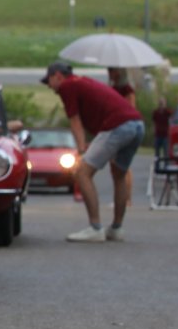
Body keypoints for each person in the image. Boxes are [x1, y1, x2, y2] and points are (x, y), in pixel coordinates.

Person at [40, 60, 145, 242]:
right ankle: (116, 229)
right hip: (137, 124)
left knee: (82, 173)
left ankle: (95, 228)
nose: (49, 87)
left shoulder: (67, 86)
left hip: (118, 126)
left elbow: (75, 121)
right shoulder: (83, 81)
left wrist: (81, 150)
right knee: (119, 175)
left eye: (48, 81)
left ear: (58, 76)